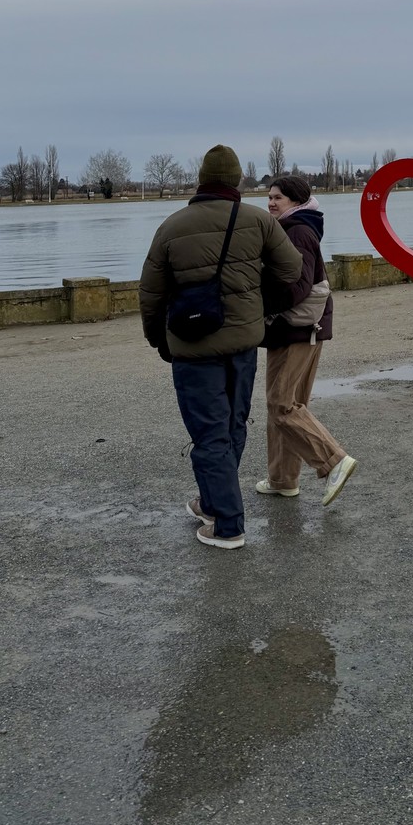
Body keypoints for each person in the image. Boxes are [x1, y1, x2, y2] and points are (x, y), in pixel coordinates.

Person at [139, 144, 302, 550]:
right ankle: (212, 502)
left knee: (210, 434)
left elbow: (151, 295)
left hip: (193, 348)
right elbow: (292, 269)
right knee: (231, 427)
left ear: (201, 179)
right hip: (243, 345)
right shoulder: (258, 221)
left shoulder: (172, 226)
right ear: (238, 180)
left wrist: (161, 341)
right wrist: (256, 302)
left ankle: (228, 525)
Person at [257, 174, 357, 508]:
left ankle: (333, 460)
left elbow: (297, 287)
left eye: (278, 198)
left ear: (297, 201)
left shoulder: (296, 231)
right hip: (304, 330)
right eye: (269, 197)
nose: (271, 203)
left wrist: (260, 306)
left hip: (294, 331)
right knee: (288, 405)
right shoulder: (298, 227)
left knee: (282, 405)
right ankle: (283, 480)